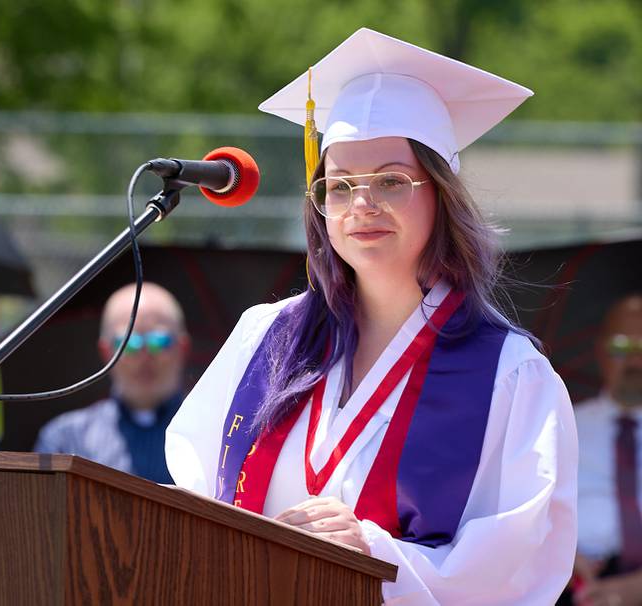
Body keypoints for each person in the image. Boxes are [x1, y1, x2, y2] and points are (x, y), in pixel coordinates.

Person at [166, 28, 577, 604]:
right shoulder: (265, 338)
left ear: (441, 194)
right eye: (340, 185)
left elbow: (518, 567)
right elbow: (190, 500)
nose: (362, 204)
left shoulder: (508, 373)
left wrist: (374, 555)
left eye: (390, 180)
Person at [35, 282, 190, 483]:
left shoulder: (215, 434)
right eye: (128, 343)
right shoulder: (66, 439)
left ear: (183, 348)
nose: (145, 356)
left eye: (158, 341)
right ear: (106, 351)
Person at [568, 294, 642, 606]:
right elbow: (522, 508)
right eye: (622, 347)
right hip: (581, 582)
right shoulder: (558, 423)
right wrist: (561, 555)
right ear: (600, 351)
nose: (635, 361)